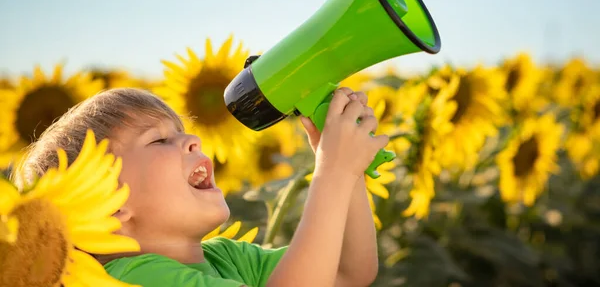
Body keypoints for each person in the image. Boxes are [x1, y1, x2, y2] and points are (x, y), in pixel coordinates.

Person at [12, 86, 389, 287]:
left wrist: (346, 168)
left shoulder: (227, 258)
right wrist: (333, 172)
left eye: (182, 131)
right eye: (158, 141)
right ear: (108, 205)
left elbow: (345, 273)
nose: (192, 140)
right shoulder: (133, 281)